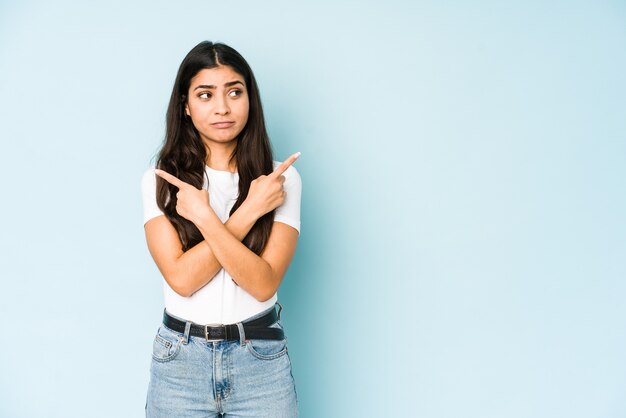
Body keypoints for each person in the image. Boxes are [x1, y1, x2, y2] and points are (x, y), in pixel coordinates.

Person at [140, 41, 301, 417]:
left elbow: (263, 284)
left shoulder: (281, 180)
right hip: (180, 360)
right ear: (185, 105)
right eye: (205, 94)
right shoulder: (161, 181)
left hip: (260, 358)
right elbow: (182, 279)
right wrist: (248, 212)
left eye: (234, 92)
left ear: (250, 99)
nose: (222, 107)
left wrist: (209, 219)